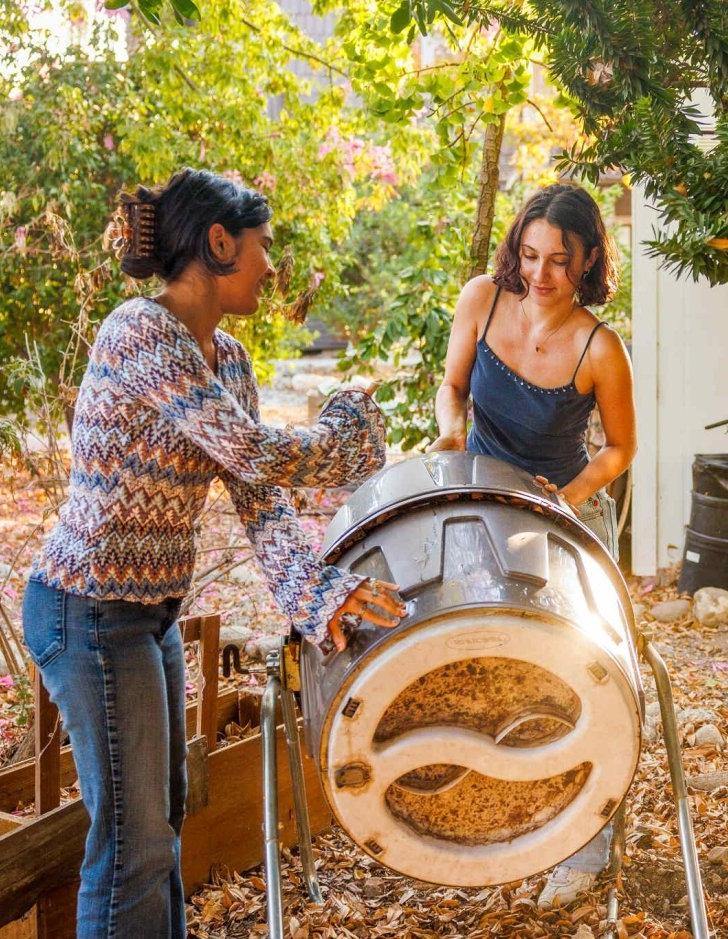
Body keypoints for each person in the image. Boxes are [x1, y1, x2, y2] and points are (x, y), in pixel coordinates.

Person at [21, 168, 405, 939]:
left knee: (159, 822)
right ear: (220, 243)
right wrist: (341, 436)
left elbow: (260, 500)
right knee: (131, 844)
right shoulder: (138, 332)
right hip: (87, 610)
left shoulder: (226, 359)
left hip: (150, 614)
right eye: (265, 246)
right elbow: (254, 449)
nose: (273, 265)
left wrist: (317, 594)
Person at [430, 183, 637, 907]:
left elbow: (619, 449)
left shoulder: (600, 346)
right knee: (487, 665)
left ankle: (592, 844)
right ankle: (501, 823)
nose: (540, 273)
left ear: (586, 262)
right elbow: (452, 388)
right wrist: (451, 431)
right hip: (483, 501)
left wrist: (567, 496)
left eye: (558, 260)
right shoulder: (482, 298)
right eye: (530, 254)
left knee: (585, 675)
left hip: (565, 511)